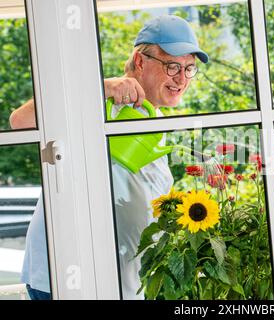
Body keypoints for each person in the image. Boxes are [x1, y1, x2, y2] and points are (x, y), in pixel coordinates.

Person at [9, 14, 209, 300]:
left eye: (189, 69)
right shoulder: (101, 102)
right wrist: (99, 87)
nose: (181, 78)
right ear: (140, 61)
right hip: (69, 279)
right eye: (173, 65)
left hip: (121, 282)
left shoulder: (154, 120)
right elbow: (21, 122)